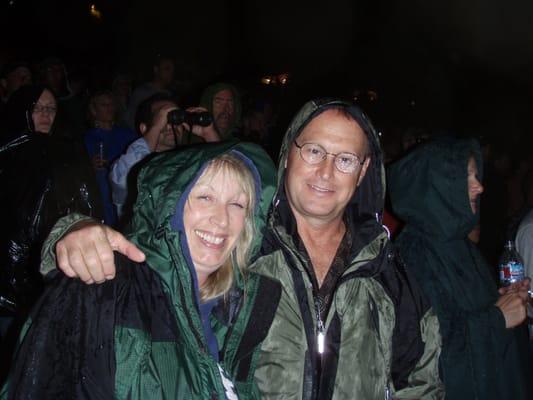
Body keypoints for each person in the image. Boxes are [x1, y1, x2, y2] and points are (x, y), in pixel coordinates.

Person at [38, 98, 443, 398]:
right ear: (289, 155)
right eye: (315, 151)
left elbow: (422, 381)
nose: (325, 171)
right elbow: (155, 253)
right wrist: (74, 230)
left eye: (345, 159)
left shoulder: (386, 269)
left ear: (364, 171)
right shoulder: (240, 246)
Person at [1, 142, 280, 399]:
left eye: (237, 204)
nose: (221, 219)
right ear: (169, 205)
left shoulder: (243, 306)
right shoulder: (107, 289)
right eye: (205, 197)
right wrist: (69, 230)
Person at [388, 136, 530, 399]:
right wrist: (497, 319)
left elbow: (461, 311)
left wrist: (503, 300)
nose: (479, 187)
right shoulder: (414, 254)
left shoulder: (456, 246)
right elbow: (423, 356)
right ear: (437, 184)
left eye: (477, 175)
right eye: (466, 176)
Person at [0, 85, 102, 341]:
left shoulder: (67, 149)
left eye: (51, 108)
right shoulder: (6, 150)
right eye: (37, 108)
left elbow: (85, 205)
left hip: (50, 260)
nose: (45, 114)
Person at [109, 93, 220, 221]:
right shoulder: (124, 165)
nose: (169, 125)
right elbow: (125, 178)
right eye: (162, 118)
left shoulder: (188, 162)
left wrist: (209, 134)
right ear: (144, 128)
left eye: (174, 119)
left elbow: (230, 176)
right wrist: (156, 127)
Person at [84, 90, 137, 226]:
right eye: (104, 105)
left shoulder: (127, 134)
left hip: (124, 186)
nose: (109, 108)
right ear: (93, 110)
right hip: (101, 189)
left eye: (111, 104)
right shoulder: (87, 138)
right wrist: (89, 165)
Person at [122, 54, 175, 131]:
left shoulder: (170, 95)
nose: (171, 73)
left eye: (172, 70)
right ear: (156, 69)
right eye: (167, 69)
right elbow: (130, 120)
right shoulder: (142, 92)